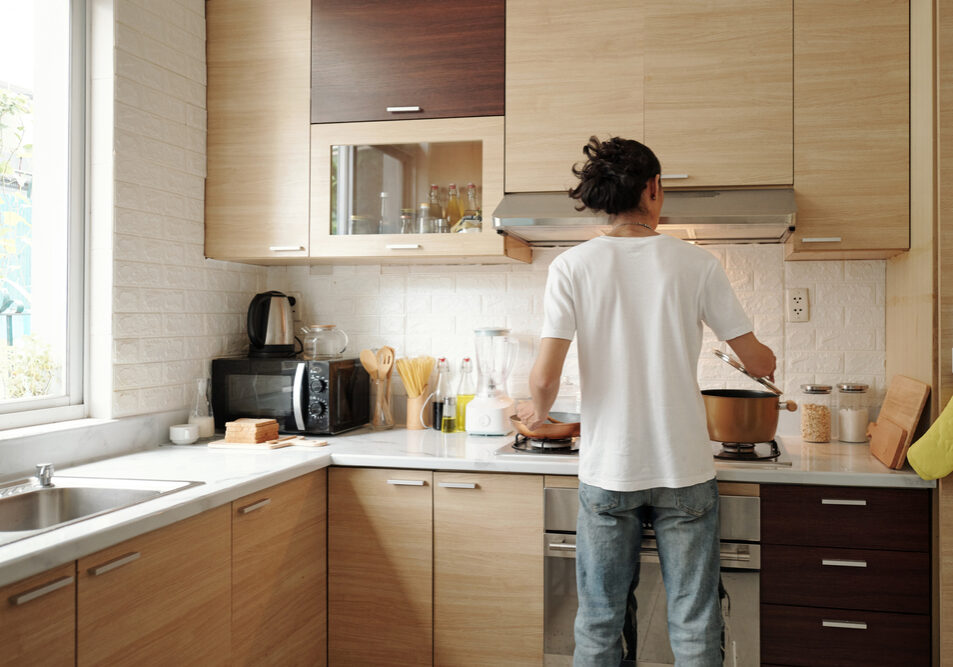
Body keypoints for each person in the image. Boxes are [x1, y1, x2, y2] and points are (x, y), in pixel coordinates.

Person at [517, 136, 776, 666]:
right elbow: (758, 363)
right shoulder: (695, 264)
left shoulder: (571, 267)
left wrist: (536, 414)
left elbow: (544, 377)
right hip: (683, 468)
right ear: (654, 189)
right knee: (694, 617)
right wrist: (765, 359)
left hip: (609, 470)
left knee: (599, 619)